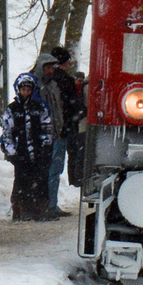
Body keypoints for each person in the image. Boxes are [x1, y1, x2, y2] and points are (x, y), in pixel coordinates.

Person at [1, 73, 52, 220]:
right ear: (18, 90)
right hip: (20, 151)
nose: (26, 93)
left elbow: (47, 127)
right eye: (23, 90)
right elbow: (7, 132)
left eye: (28, 90)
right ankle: (20, 210)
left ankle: (40, 210)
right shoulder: (12, 109)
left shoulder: (40, 107)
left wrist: (45, 146)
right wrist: (11, 151)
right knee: (21, 181)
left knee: (40, 180)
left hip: (38, 151)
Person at [33, 51, 68, 217]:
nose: (50, 70)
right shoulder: (36, 86)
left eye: (52, 67)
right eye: (47, 67)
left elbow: (58, 108)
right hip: (45, 136)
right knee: (46, 172)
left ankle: (52, 204)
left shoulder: (53, 85)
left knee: (55, 171)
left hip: (57, 133)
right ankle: (45, 205)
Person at [49, 46, 86, 196]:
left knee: (48, 165)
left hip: (49, 128)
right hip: (64, 127)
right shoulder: (66, 81)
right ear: (64, 63)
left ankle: (45, 202)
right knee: (57, 166)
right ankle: (51, 202)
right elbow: (71, 105)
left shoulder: (46, 79)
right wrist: (82, 110)